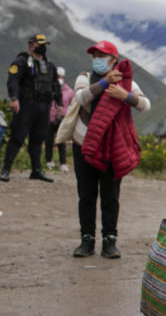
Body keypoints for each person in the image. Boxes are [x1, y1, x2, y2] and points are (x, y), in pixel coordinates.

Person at [69, 41, 150, 259]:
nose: (97, 58)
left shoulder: (126, 83)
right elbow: (80, 97)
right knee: (86, 195)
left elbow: (144, 104)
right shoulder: (84, 77)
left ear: (114, 60)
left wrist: (125, 96)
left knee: (110, 197)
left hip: (112, 148)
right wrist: (104, 83)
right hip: (83, 145)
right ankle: (86, 240)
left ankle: (109, 241)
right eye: (95, 54)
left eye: (102, 55)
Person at [0, 33, 61, 183]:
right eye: (40, 44)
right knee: (18, 136)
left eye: (44, 44)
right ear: (31, 44)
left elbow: (56, 85)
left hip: (44, 107)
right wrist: (14, 98)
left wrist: (59, 103)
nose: (43, 47)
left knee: (38, 138)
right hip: (26, 105)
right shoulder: (21, 61)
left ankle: (36, 171)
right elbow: (13, 80)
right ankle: (6, 170)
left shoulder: (50, 65)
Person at [46, 66, 73, 172]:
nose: (59, 78)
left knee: (61, 141)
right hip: (50, 118)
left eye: (61, 77)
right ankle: (49, 161)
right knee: (48, 140)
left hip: (62, 119)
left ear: (64, 78)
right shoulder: (48, 89)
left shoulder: (70, 92)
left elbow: (72, 105)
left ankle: (63, 163)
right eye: (57, 76)